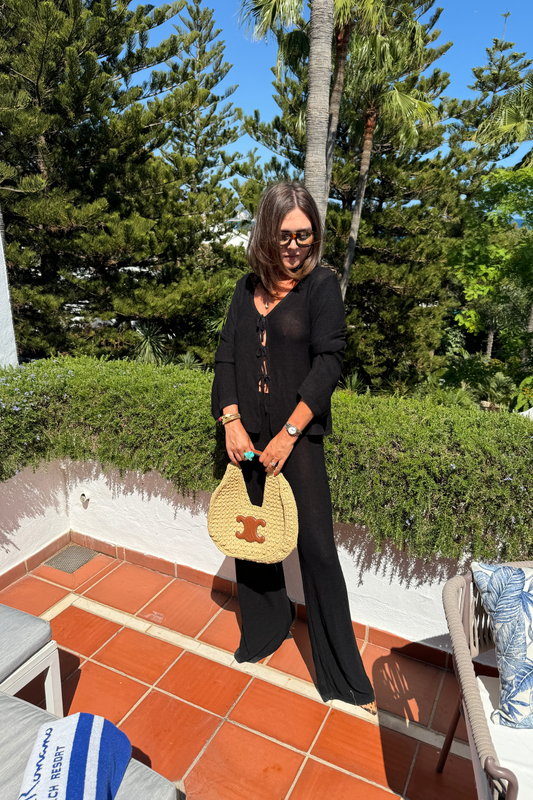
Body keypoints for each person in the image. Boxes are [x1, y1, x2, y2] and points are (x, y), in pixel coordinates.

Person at [211, 182, 376, 711]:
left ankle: (341, 671)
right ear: (266, 231)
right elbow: (226, 356)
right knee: (253, 537)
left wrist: (288, 433)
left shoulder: (321, 287)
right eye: (285, 235)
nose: (295, 246)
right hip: (247, 433)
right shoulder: (246, 288)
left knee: (317, 548)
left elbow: (329, 362)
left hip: (295, 437)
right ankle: (266, 627)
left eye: (304, 235)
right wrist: (230, 421)